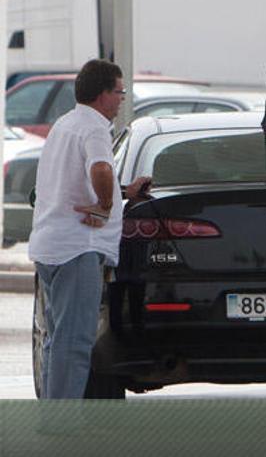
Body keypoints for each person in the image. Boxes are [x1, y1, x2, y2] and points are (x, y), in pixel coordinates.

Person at [29, 59, 151, 399]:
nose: (122, 98)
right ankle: (64, 424)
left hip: (51, 247)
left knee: (57, 340)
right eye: (119, 91)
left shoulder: (64, 125)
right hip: (77, 249)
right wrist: (106, 205)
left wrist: (125, 191)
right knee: (76, 342)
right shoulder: (95, 128)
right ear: (102, 94)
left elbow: (74, 180)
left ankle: (54, 417)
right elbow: (98, 168)